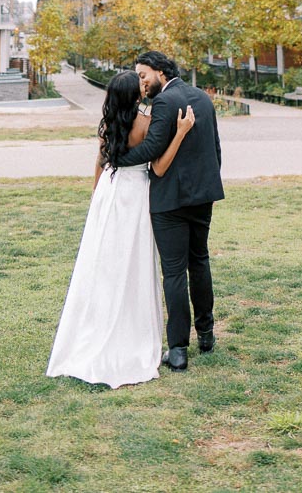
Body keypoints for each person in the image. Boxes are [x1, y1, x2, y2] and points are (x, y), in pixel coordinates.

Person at [46, 70, 195, 389]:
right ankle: (132, 333)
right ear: (135, 95)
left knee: (104, 265)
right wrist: (180, 132)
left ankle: (97, 326)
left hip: (108, 195)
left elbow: (100, 163)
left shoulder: (107, 123)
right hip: (134, 196)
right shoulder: (146, 123)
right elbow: (158, 166)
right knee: (133, 265)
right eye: (140, 86)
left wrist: (97, 198)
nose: (144, 88)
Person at [114, 50, 224, 372]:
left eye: (144, 75)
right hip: (204, 197)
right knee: (199, 262)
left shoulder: (165, 102)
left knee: (174, 272)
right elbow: (215, 148)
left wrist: (114, 159)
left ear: (161, 71)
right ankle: (206, 334)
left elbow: (152, 149)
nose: (141, 82)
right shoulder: (202, 97)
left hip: (170, 201)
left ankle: (177, 350)